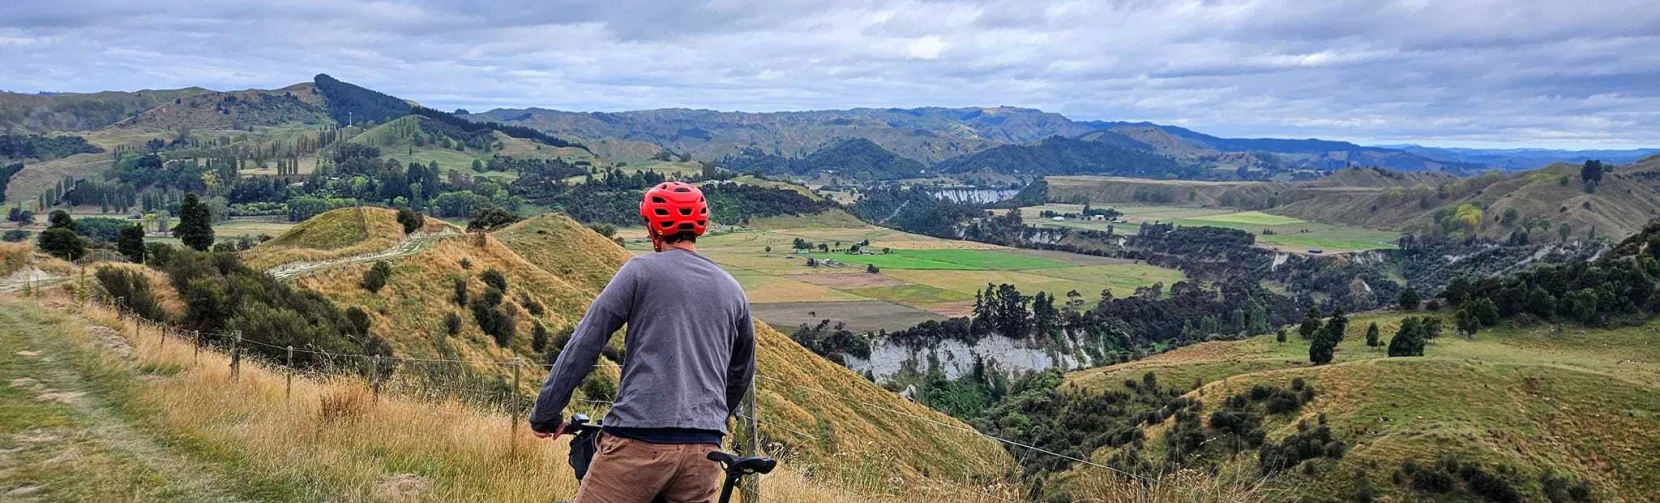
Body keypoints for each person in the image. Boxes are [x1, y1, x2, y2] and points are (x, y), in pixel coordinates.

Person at [530, 181, 757, 503]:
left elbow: (586, 342)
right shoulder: (732, 288)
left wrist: (546, 414)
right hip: (704, 451)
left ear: (653, 227)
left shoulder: (640, 271)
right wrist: (711, 421)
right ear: (700, 227)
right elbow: (742, 371)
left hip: (639, 440)